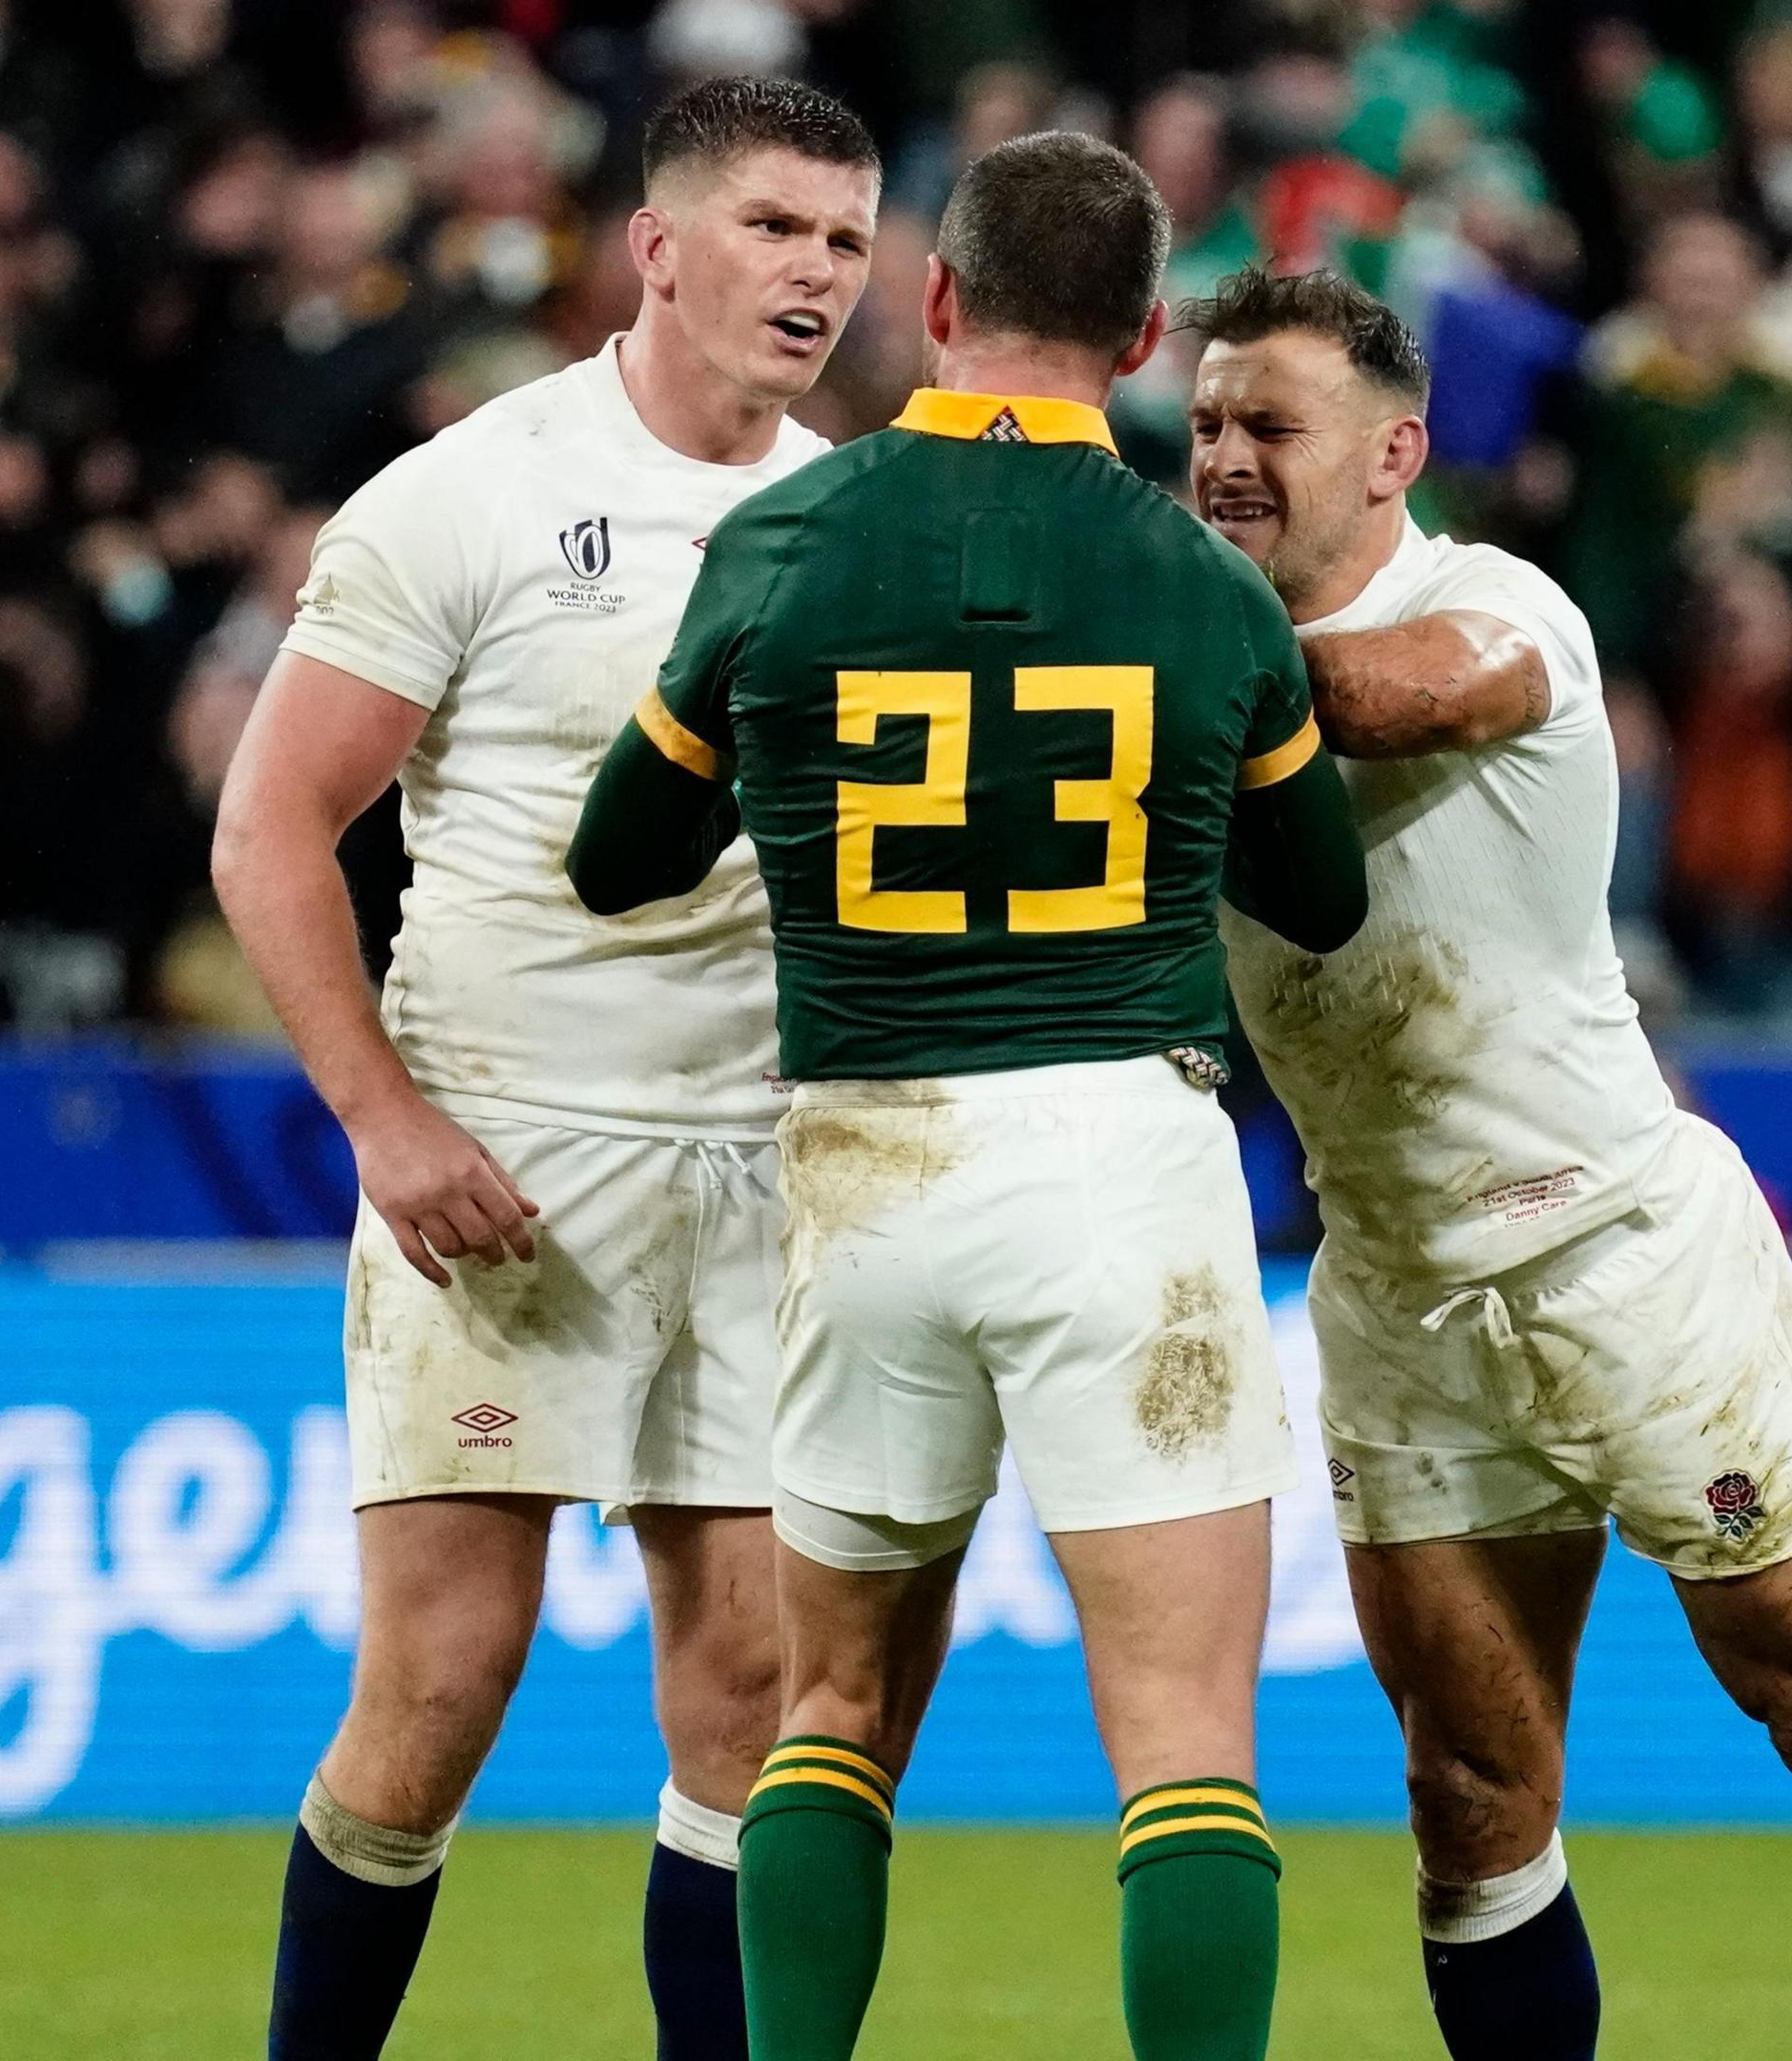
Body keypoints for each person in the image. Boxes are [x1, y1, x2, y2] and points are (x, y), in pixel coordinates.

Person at [571, 134, 1367, 2061]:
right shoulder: (1207, 587)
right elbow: (1322, 903)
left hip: (863, 1159)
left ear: (938, 298)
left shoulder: (784, 541)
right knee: (1182, 1746)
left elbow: (620, 861)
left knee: (828, 1720)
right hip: (1119, 1151)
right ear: (1151, 336)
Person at [1186, 264, 1792, 2061]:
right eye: (1204, 425)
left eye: (1272, 425)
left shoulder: (1496, 613)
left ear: (1399, 449)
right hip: (1398, 1296)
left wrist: (1143, 660)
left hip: (1619, 1259)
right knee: (1471, 1794)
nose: (1226, 458)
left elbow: (1412, 697)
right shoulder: (1185, 676)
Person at [208, 75, 880, 2061]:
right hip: (508, 1162)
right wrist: (387, 1124)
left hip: (769, 1167)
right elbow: (269, 829)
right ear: (657, 249)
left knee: (754, 1701)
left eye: (844, 241)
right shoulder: (469, 493)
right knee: (438, 1693)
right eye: (774, 229)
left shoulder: (841, 508)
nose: (816, 275)